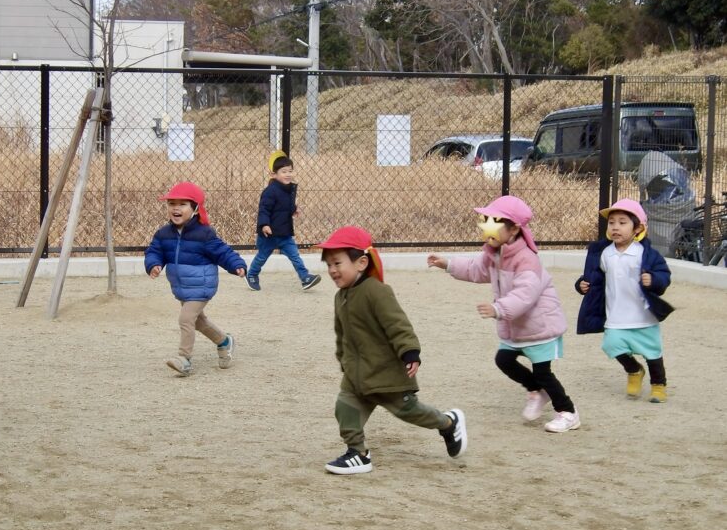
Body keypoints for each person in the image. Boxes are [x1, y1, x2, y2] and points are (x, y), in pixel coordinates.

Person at [318, 226, 466, 475]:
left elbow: (398, 324)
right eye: (329, 265)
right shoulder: (341, 297)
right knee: (345, 409)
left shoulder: (376, 291)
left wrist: (410, 352)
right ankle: (358, 453)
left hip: (386, 374)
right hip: (357, 376)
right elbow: (341, 333)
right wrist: (343, 359)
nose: (332, 270)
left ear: (361, 262)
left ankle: (448, 423)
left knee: (410, 411)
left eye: (337, 263)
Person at [428, 195, 580, 433]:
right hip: (517, 326)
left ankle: (568, 412)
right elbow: (476, 270)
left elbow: (525, 294)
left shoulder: (526, 259)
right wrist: (448, 264)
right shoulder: (494, 253)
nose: (486, 227)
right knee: (504, 360)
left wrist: (499, 309)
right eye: (485, 221)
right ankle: (537, 391)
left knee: (543, 372)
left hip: (539, 326)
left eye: (494, 222)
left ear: (514, 229)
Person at [145, 181, 247, 377]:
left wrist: (237, 265)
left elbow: (223, 252)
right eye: (172, 204)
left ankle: (184, 359)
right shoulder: (163, 234)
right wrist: (153, 264)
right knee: (198, 322)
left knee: (185, 318)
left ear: (195, 209)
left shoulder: (204, 234)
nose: (176, 208)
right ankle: (225, 341)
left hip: (202, 286)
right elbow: (154, 251)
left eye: (182, 204)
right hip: (182, 287)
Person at [576, 199, 673, 402]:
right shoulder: (604, 253)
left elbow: (663, 274)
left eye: (622, 222)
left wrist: (654, 280)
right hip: (615, 314)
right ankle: (634, 370)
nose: (615, 227)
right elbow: (594, 277)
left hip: (643, 315)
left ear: (638, 228)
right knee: (611, 345)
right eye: (612, 223)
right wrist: (582, 284)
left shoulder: (645, 254)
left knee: (652, 352)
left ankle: (658, 385)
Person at [245, 151, 321, 292]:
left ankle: (305, 278)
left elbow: (284, 207)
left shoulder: (289, 189)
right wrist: (264, 225)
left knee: (295, 256)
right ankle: (252, 275)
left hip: (284, 233)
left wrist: (294, 209)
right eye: (284, 171)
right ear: (274, 174)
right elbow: (264, 209)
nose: (288, 174)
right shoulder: (270, 191)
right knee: (262, 257)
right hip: (269, 234)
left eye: (290, 171)